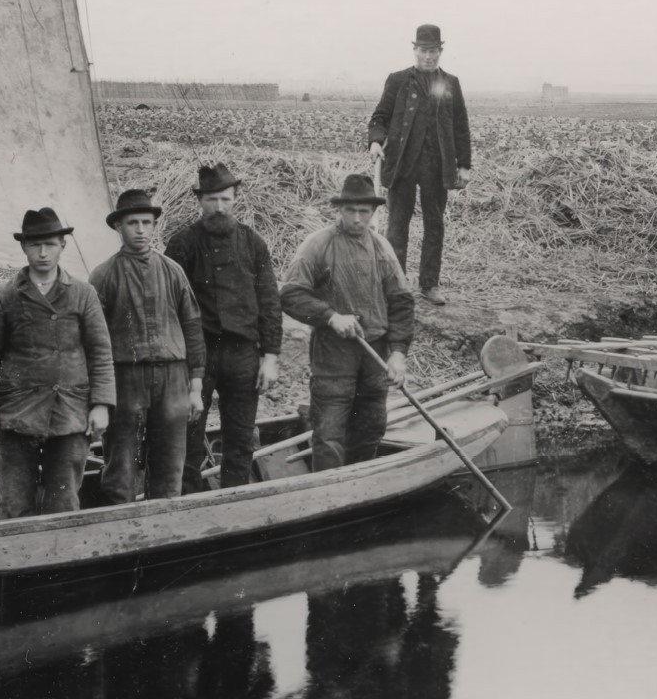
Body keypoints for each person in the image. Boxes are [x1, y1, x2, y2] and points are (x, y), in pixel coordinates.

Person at [0, 207, 116, 516]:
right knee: (13, 504)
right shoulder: (3, 296)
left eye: (50, 243)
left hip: (70, 413)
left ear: (63, 244)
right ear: (23, 247)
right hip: (17, 415)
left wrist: (101, 404)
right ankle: (15, 564)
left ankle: (62, 565)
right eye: (35, 244)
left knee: (63, 503)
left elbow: (100, 353)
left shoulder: (83, 293)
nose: (43, 252)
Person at [281, 174, 415, 470]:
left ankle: (359, 492)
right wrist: (330, 317)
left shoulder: (383, 249)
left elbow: (402, 303)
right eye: (350, 211)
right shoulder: (317, 245)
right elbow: (290, 294)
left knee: (370, 427)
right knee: (329, 433)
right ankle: (328, 498)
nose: (357, 219)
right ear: (339, 210)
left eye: (363, 212)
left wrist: (398, 354)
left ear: (373, 213)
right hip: (333, 353)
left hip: (375, 353)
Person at [166, 162, 283, 488]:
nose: (219, 207)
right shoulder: (182, 244)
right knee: (188, 438)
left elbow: (270, 302)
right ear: (200, 200)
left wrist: (270, 356)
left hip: (243, 355)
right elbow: (170, 307)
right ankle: (187, 506)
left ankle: (233, 507)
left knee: (241, 438)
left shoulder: (253, 243)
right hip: (196, 357)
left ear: (236, 199)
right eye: (212, 200)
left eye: (226, 200)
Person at [90, 189, 207, 501]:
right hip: (125, 381)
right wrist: (99, 396)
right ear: (119, 227)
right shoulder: (103, 276)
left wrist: (195, 388)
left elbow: (193, 328)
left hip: (172, 378)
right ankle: (121, 534)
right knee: (121, 466)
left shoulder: (173, 271)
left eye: (146, 222)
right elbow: (93, 341)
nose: (140, 230)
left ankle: (162, 534)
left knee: (170, 467)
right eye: (132, 223)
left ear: (155, 225)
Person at [366, 23, 471, 306]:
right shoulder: (398, 80)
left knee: (434, 225)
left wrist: (464, 166)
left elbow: (461, 126)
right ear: (415, 50)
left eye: (434, 51)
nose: (429, 56)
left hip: (437, 167)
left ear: (440, 52)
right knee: (397, 226)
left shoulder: (450, 83)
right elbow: (380, 117)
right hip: (403, 164)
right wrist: (376, 140)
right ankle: (396, 286)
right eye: (424, 50)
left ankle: (429, 285)